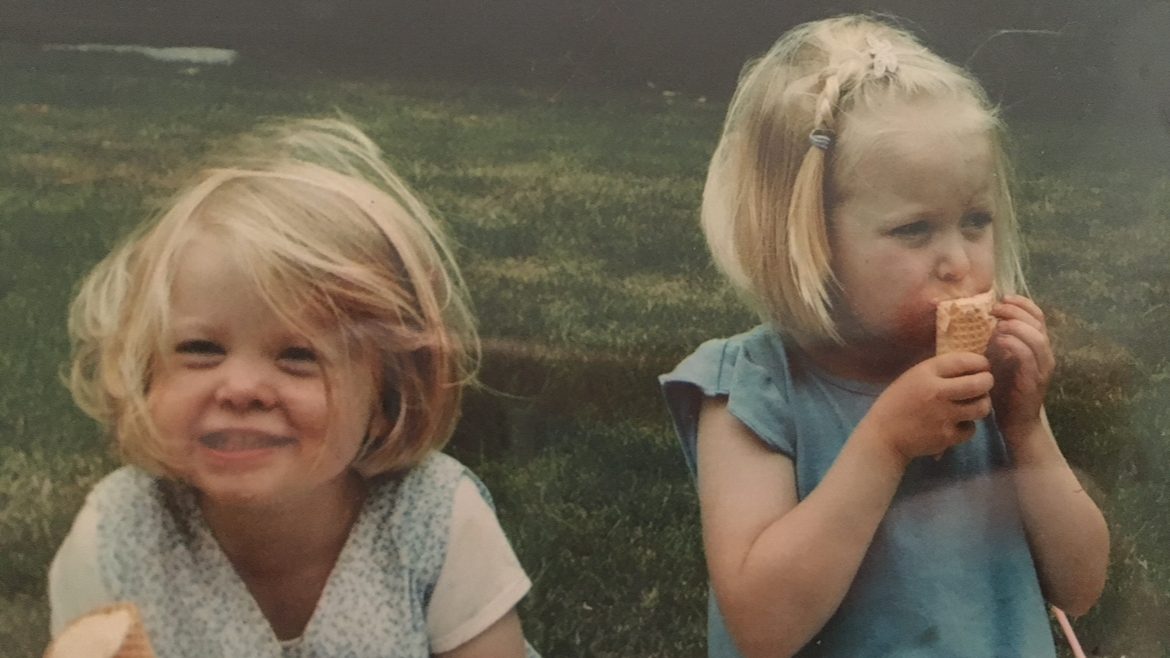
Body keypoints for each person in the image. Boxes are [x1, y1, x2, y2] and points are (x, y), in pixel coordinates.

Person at [660, 15, 1109, 658]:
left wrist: (1029, 431)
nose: (958, 260)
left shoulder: (986, 385)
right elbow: (762, 626)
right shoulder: (753, 392)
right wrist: (885, 444)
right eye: (915, 230)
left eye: (975, 220)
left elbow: (1082, 584)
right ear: (808, 241)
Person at [49, 118, 539, 657]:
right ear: (145, 371)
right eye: (201, 349)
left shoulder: (434, 520)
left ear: (386, 397)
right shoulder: (118, 534)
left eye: (298, 356)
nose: (240, 389)